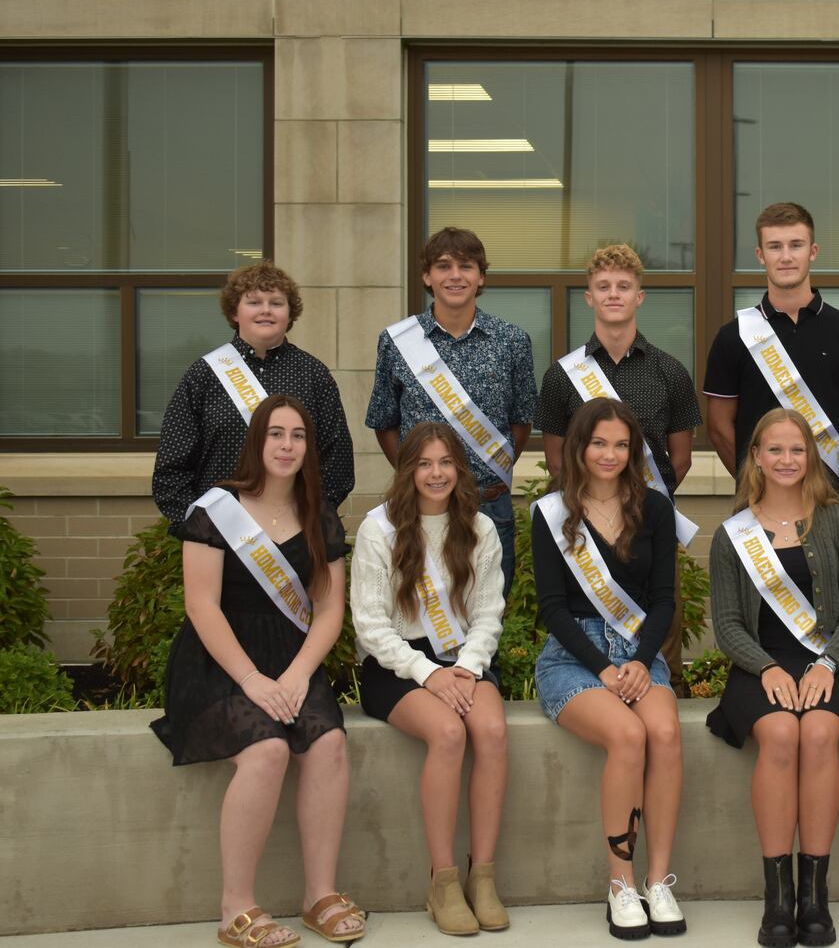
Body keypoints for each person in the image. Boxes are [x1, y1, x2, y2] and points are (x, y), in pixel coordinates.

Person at [151, 395, 364, 948]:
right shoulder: (216, 510)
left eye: (298, 436)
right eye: (276, 434)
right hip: (220, 662)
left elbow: (330, 609)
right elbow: (202, 606)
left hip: (291, 661)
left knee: (329, 745)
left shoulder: (319, 512)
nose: (287, 445)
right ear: (257, 442)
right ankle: (235, 909)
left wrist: (296, 677)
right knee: (268, 751)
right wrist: (252, 680)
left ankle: (319, 894)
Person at [707, 408, 839, 948]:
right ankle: (777, 898)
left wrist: (827, 663)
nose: (786, 460)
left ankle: (814, 899)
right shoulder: (733, 534)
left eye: (796, 450)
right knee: (779, 733)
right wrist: (769, 668)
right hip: (760, 664)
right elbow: (728, 625)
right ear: (755, 456)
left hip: (830, 661)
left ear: (812, 456)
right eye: (774, 450)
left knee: (820, 732)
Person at [530, 397, 686, 940]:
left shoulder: (655, 509)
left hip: (639, 652)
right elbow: (551, 607)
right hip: (576, 657)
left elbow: (664, 599)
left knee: (664, 732)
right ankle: (620, 884)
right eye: (599, 443)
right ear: (579, 446)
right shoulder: (551, 512)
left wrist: (642, 661)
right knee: (627, 735)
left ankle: (658, 881)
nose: (610, 454)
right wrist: (602, 667)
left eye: (621, 445)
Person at [350, 422, 509, 935]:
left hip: (463, 659)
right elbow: (371, 626)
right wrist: (428, 674)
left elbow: (488, 613)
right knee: (447, 733)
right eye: (423, 463)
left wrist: (465, 667)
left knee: (491, 731)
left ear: (459, 469)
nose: (435, 473)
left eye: (445, 463)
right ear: (407, 470)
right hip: (396, 663)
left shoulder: (479, 528)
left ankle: (481, 877)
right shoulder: (380, 529)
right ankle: (441, 882)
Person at [541, 243, 703, 695]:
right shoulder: (560, 376)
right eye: (603, 286)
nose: (614, 294)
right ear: (589, 297)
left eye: (624, 286)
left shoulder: (669, 372)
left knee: (661, 630)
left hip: (648, 525)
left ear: (639, 297)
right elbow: (557, 459)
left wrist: (639, 504)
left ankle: (661, 698)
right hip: (582, 528)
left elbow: (681, 457)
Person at [366, 226, 538, 594]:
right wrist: (417, 474)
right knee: (416, 613)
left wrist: (489, 468)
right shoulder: (397, 342)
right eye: (443, 266)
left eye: (466, 266)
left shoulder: (512, 341)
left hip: (489, 506)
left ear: (481, 277)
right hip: (419, 508)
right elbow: (384, 421)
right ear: (427, 276)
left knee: (488, 619)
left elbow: (522, 421)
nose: (455, 275)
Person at [153, 261, 354, 525]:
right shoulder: (205, 375)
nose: (266, 311)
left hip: (294, 535)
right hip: (218, 534)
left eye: (276, 303)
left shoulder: (313, 374)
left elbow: (336, 462)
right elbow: (171, 466)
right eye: (254, 302)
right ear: (235, 312)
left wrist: (306, 519)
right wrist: (200, 527)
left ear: (290, 313)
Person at [704, 201, 839, 501]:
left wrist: (818, 478)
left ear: (813, 251)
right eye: (774, 246)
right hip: (756, 499)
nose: (785, 257)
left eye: (796, 245)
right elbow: (719, 427)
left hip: (827, 495)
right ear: (760, 255)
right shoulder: (732, 337)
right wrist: (759, 479)